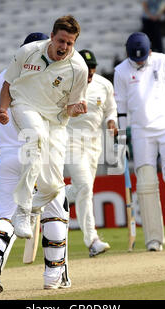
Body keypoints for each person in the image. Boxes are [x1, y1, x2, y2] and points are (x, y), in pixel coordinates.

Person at [0, 33, 71, 293]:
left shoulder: (3, 77)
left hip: (9, 156)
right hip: (39, 157)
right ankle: (54, 276)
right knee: (56, 208)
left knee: (6, 213)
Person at [114, 31, 165, 252]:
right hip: (141, 131)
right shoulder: (120, 71)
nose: (140, 62)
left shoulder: (160, 60)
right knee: (146, 183)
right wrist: (121, 137)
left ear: (150, 51)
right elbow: (120, 108)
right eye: (135, 59)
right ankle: (153, 239)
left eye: (143, 58)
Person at [64, 49, 118, 257]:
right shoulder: (68, 83)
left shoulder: (104, 84)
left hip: (95, 144)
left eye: (92, 69)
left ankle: (52, 196)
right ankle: (92, 240)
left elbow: (111, 109)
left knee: (83, 188)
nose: (89, 74)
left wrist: (111, 121)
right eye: (86, 70)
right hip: (71, 141)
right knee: (85, 186)